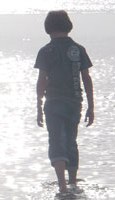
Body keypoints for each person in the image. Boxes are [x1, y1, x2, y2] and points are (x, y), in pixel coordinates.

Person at [34, 10, 94, 193]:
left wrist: (38, 105)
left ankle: (62, 186)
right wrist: (91, 106)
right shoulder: (79, 49)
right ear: (68, 26)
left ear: (48, 28)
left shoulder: (45, 51)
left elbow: (42, 80)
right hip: (74, 102)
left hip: (53, 102)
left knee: (56, 141)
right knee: (71, 140)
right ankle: (73, 182)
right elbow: (86, 78)